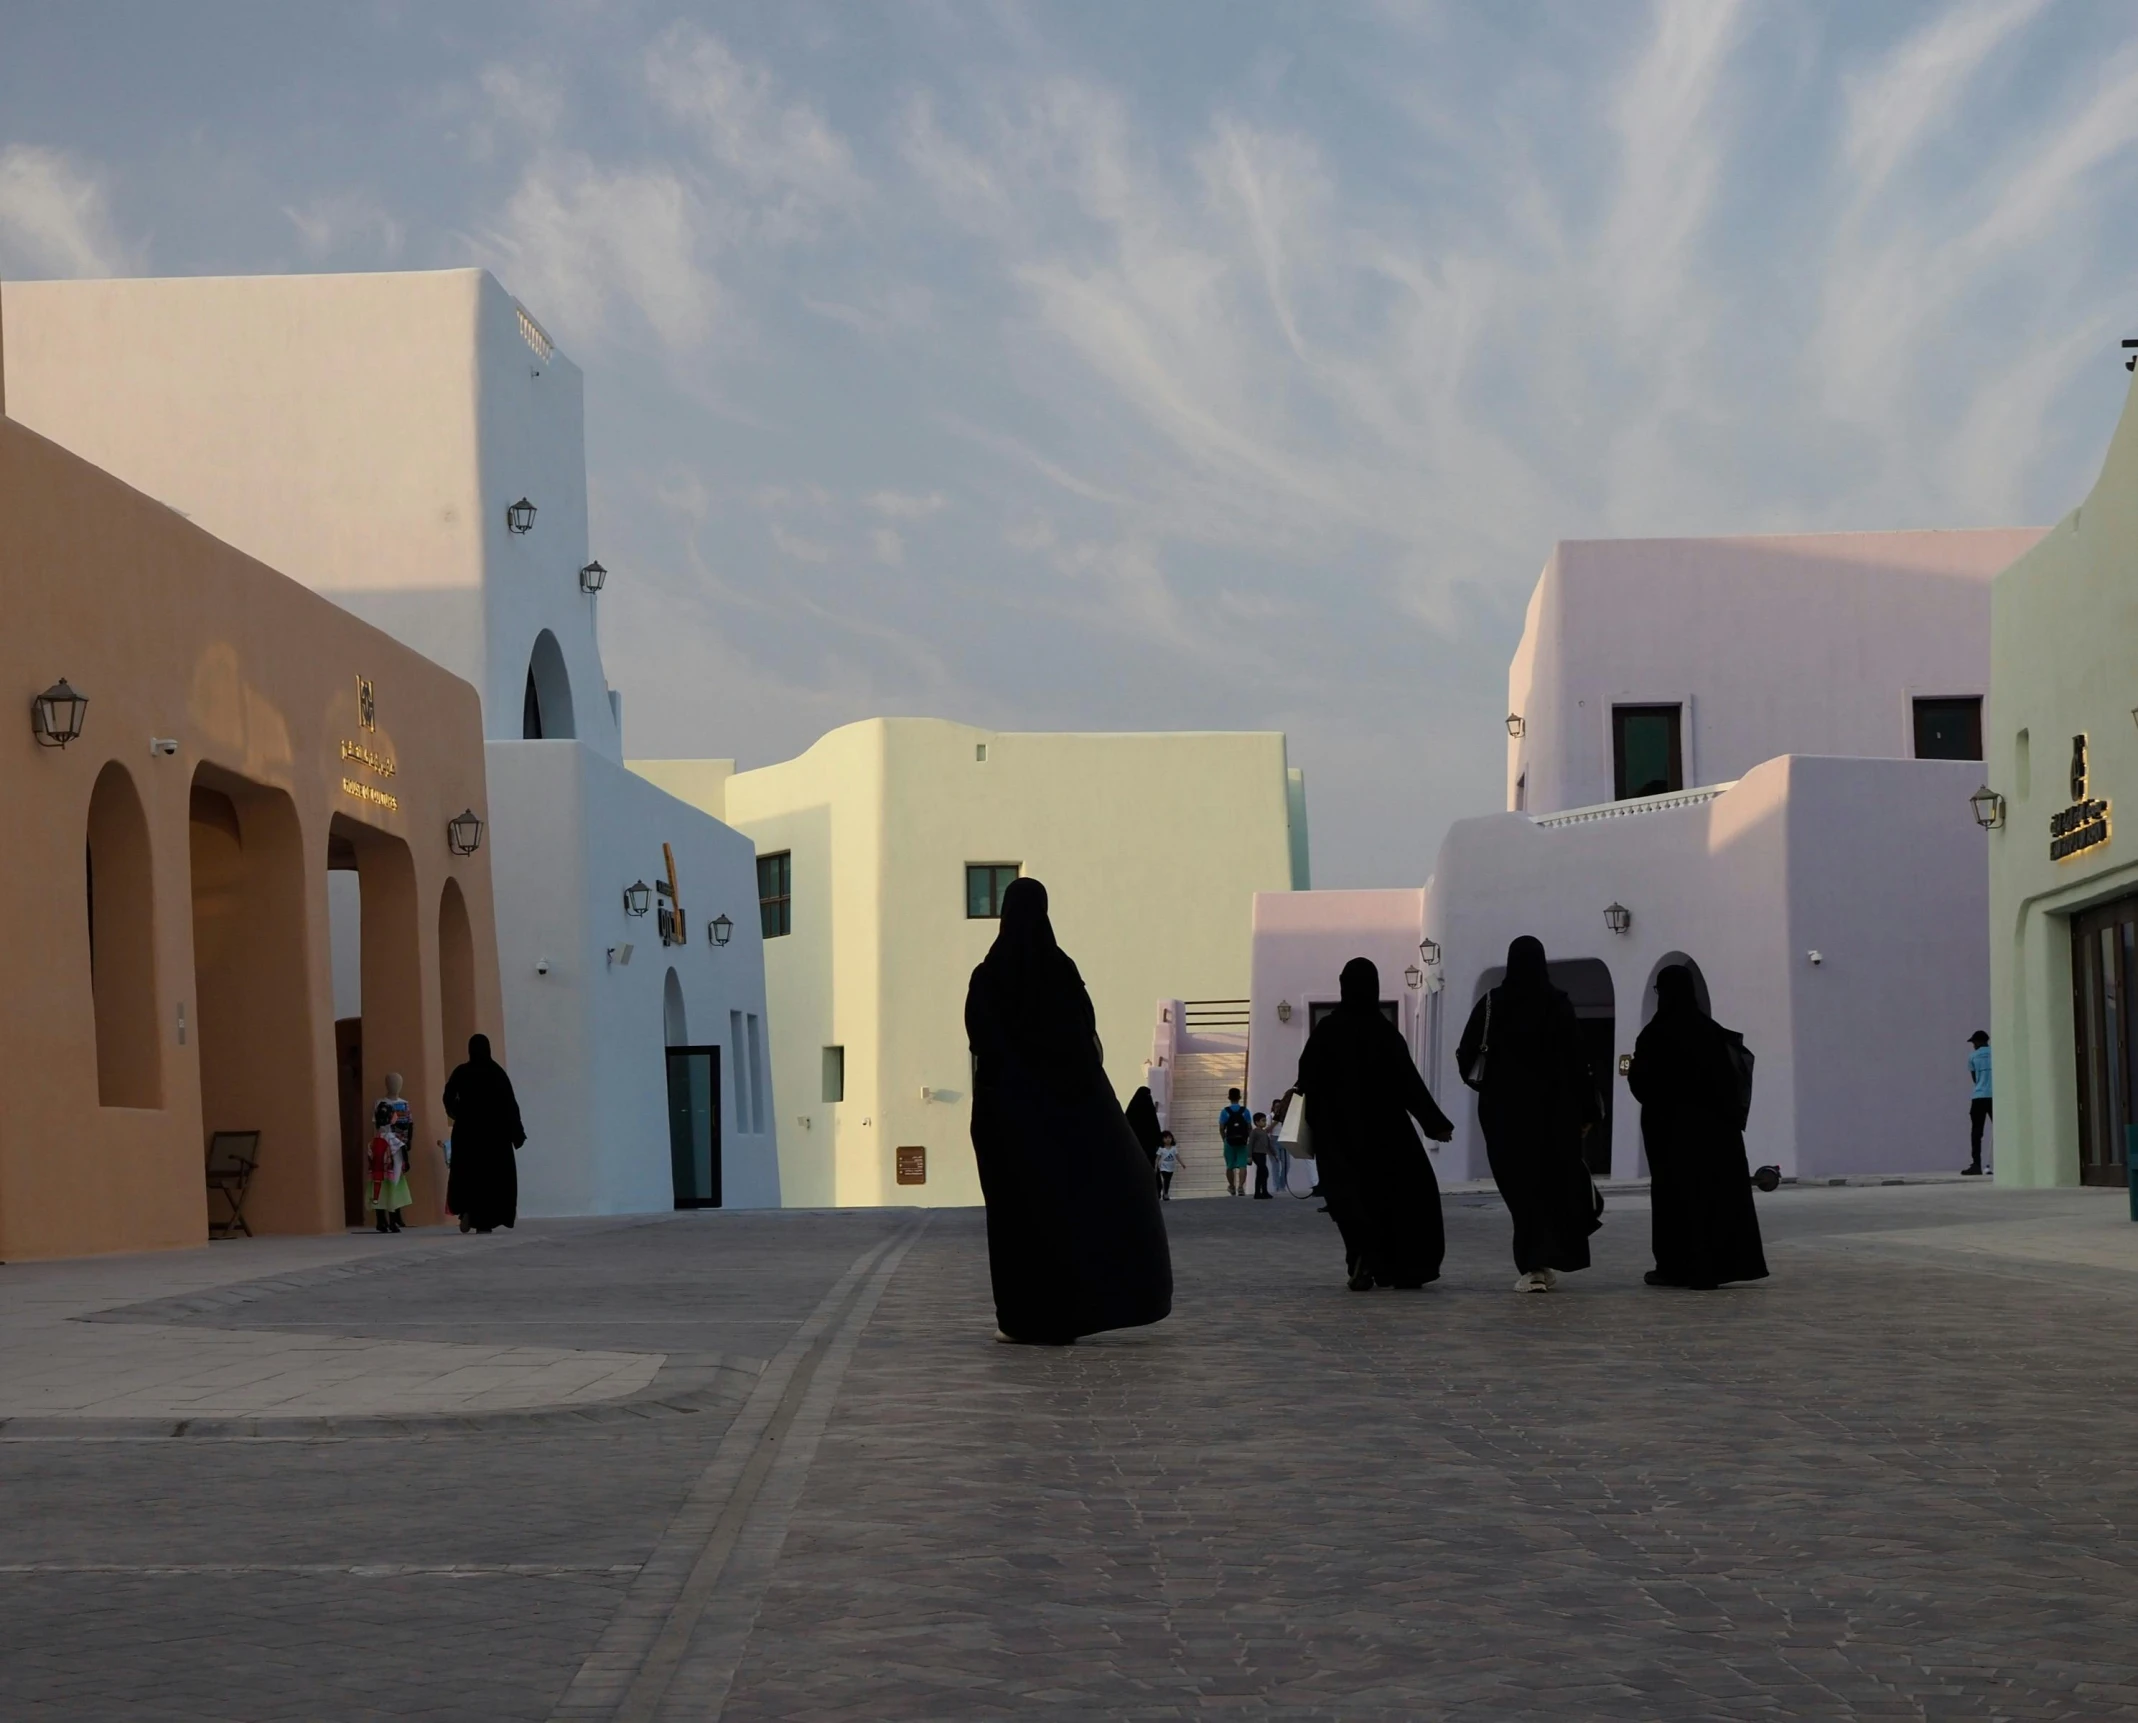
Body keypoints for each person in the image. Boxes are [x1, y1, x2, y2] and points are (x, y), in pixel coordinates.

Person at [965, 877, 1172, 1343]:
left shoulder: (989, 975)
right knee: (1067, 1211)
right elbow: (1085, 1038)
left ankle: (1023, 1317)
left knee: (1017, 1217)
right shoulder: (1062, 971)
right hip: (1067, 1113)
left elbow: (983, 1043)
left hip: (1009, 1117)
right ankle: (1072, 1311)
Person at [1295, 957, 1455, 1289]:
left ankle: (1361, 1257)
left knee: (1349, 1201)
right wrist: (1434, 1122)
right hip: (1386, 1134)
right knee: (1397, 1197)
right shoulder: (1384, 1032)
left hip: (1337, 1136)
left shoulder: (1327, 1031)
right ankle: (1403, 1266)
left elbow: (1307, 1077)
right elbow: (1408, 1082)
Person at [1456, 936, 1601, 1292]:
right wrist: (1586, 1112)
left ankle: (1534, 1266)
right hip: (1555, 1116)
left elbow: (1467, 1056)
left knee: (1520, 1189)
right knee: (1550, 1186)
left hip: (1505, 1115)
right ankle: (1541, 1261)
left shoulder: (1492, 1003)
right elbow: (1577, 1063)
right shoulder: (1558, 1005)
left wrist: (1488, 1088)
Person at [1626, 966, 1768, 1290]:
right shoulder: (1712, 1032)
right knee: (1714, 1195)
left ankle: (1676, 1267)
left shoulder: (1654, 1034)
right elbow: (1733, 1081)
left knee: (1675, 1196)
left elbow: (1642, 1084)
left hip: (1670, 1132)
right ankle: (1717, 1265)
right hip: (1715, 1132)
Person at [443, 1033, 525, 1234]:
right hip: (494, 1137)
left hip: (467, 1134)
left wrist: (458, 1113)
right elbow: (509, 1105)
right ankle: (484, 1220)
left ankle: (467, 1211)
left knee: (468, 1174)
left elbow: (448, 1097)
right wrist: (517, 1133)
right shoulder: (497, 1073)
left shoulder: (462, 1072)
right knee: (491, 1178)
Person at [367, 1072, 414, 1233]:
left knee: (378, 1188)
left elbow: (409, 1125)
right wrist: (405, 1161)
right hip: (393, 1164)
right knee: (392, 1189)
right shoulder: (380, 1103)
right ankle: (391, 1220)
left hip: (380, 1162)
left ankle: (384, 1220)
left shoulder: (377, 1141)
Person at [1964, 1031, 1993, 1175]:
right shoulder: (1996, 1053)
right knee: (2002, 1132)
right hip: (1996, 1097)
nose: (1973, 1045)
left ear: (1979, 1042)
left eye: (1974, 1042)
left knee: (1976, 1133)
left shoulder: (1973, 1057)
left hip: (1979, 1096)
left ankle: (1976, 1165)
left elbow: (1975, 1078)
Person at [1218, 1088, 1253, 1196]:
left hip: (1229, 1141)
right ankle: (1241, 1187)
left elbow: (1221, 1127)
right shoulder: (1245, 1111)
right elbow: (1249, 1127)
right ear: (1240, 1097)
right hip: (1242, 1141)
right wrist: (1248, 1139)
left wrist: (1224, 1139)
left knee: (1230, 1165)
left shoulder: (1225, 1111)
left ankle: (1232, 1187)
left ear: (1229, 1097)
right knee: (1242, 1165)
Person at [1126, 1085, 1165, 1178]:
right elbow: (1155, 1129)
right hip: (1148, 1150)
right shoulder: (1149, 1112)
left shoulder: (1131, 1112)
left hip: (1135, 1148)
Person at [1267, 1094, 1294, 1194]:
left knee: (1287, 1164)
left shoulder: (1285, 1116)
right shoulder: (1269, 1117)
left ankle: (1282, 1184)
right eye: (1276, 1106)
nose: (1278, 1108)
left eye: (1280, 1107)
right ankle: (1277, 1186)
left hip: (1284, 1139)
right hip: (1274, 1139)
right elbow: (1268, 1130)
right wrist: (1276, 1120)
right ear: (1273, 1107)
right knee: (1276, 1165)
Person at [1246, 1112, 1275, 1199]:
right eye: (1263, 1121)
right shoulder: (1254, 1132)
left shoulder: (1264, 1132)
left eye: (1265, 1121)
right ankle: (1261, 1191)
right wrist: (1249, 1156)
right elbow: (1250, 1144)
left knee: (1261, 1173)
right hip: (1256, 1154)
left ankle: (1261, 1192)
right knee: (1264, 1171)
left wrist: (1274, 1153)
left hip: (1263, 1154)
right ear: (1257, 1122)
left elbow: (1268, 1144)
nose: (1265, 1123)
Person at [1155, 1131, 1182, 1200]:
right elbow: (1157, 1158)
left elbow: (1177, 1156)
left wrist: (1182, 1164)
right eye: (1166, 1138)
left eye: (1169, 1137)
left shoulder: (1174, 1148)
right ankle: (1165, 1194)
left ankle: (1165, 1193)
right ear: (1162, 1139)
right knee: (1166, 1179)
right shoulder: (1161, 1149)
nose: (1168, 1139)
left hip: (1171, 1168)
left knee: (1168, 1180)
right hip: (1163, 1168)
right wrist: (1156, 1166)